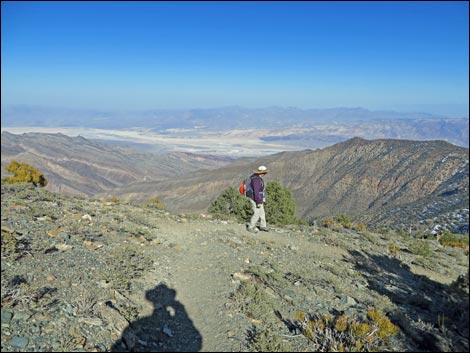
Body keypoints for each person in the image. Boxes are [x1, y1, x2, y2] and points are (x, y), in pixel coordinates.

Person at [246, 165, 269, 233]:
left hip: (258, 197)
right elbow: (256, 191)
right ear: (261, 173)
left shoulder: (255, 177)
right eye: (264, 173)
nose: (265, 174)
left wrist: (262, 199)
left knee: (262, 212)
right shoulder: (256, 180)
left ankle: (263, 226)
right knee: (257, 213)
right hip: (255, 198)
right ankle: (251, 226)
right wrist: (258, 201)